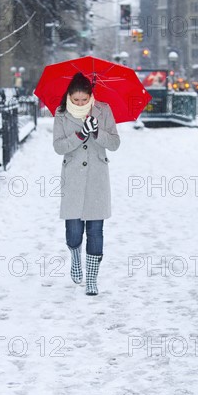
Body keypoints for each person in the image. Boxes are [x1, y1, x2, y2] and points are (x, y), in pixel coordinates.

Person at [53, 72, 120, 295]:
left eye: (84, 99)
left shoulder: (104, 110)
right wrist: (81, 134)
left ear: (91, 96)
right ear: (69, 97)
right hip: (72, 178)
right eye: (76, 100)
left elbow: (115, 143)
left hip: (97, 178)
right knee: (73, 231)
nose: (80, 103)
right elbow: (59, 147)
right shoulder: (61, 115)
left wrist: (98, 132)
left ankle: (92, 279)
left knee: (95, 230)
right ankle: (75, 257)